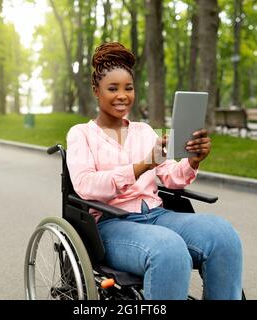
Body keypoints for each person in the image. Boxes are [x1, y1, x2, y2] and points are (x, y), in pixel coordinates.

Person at [66, 42, 243, 300]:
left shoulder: (145, 131)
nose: (122, 95)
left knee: (223, 235)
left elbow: (172, 177)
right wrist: (141, 166)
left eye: (128, 88)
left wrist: (193, 161)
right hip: (111, 223)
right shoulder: (80, 134)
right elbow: (85, 186)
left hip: (157, 215)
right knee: (169, 251)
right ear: (96, 91)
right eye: (112, 88)